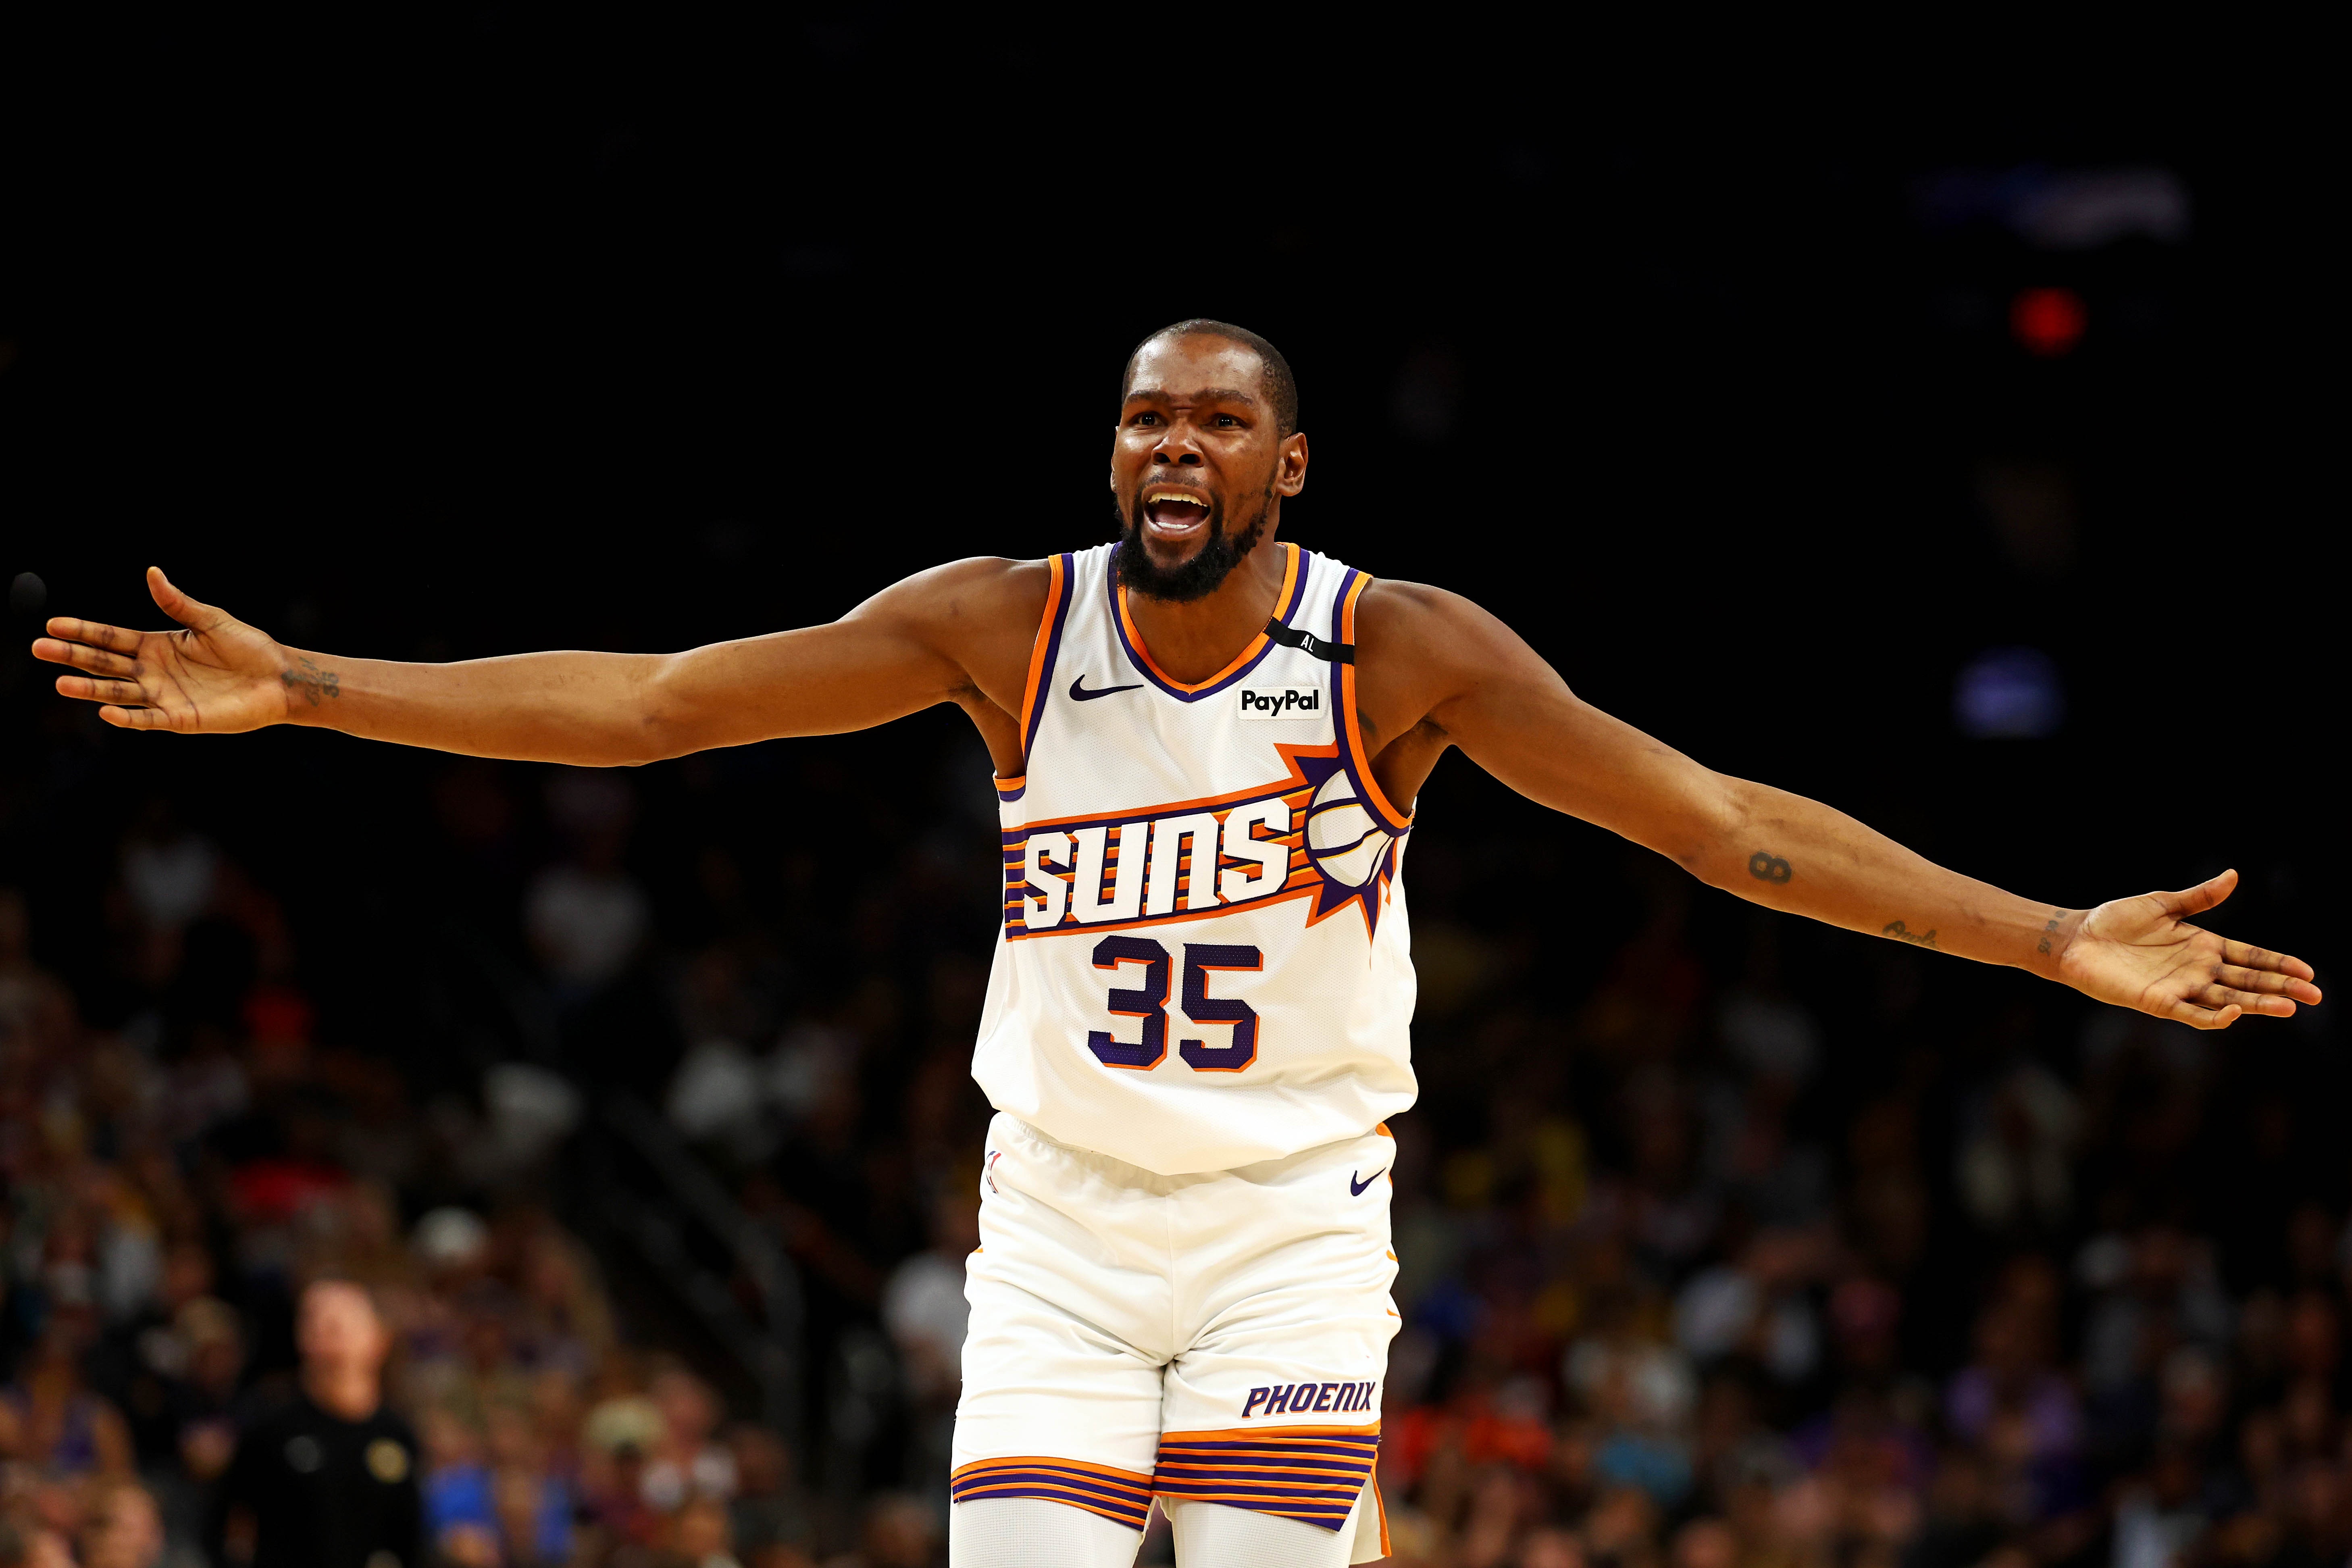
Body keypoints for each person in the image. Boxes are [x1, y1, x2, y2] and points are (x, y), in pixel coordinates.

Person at [33, 320, 2321, 1567]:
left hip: (1289, 1236)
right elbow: (650, 703)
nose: (1172, 441)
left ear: (1286, 465)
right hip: (1051, 1233)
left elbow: (1723, 827)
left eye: (1219, 416)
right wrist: (311, 685)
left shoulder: (1398, 651)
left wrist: (2046, 935)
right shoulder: (999, 624)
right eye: (1143, 412)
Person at [208, 1279, 421, 1568]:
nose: (324, 1331)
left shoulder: (397, 1435)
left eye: (338, 1323)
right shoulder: (272, 1429)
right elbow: (224, 1526)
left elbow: (409, 1540)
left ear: (379, 1338)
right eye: (313, 1320)